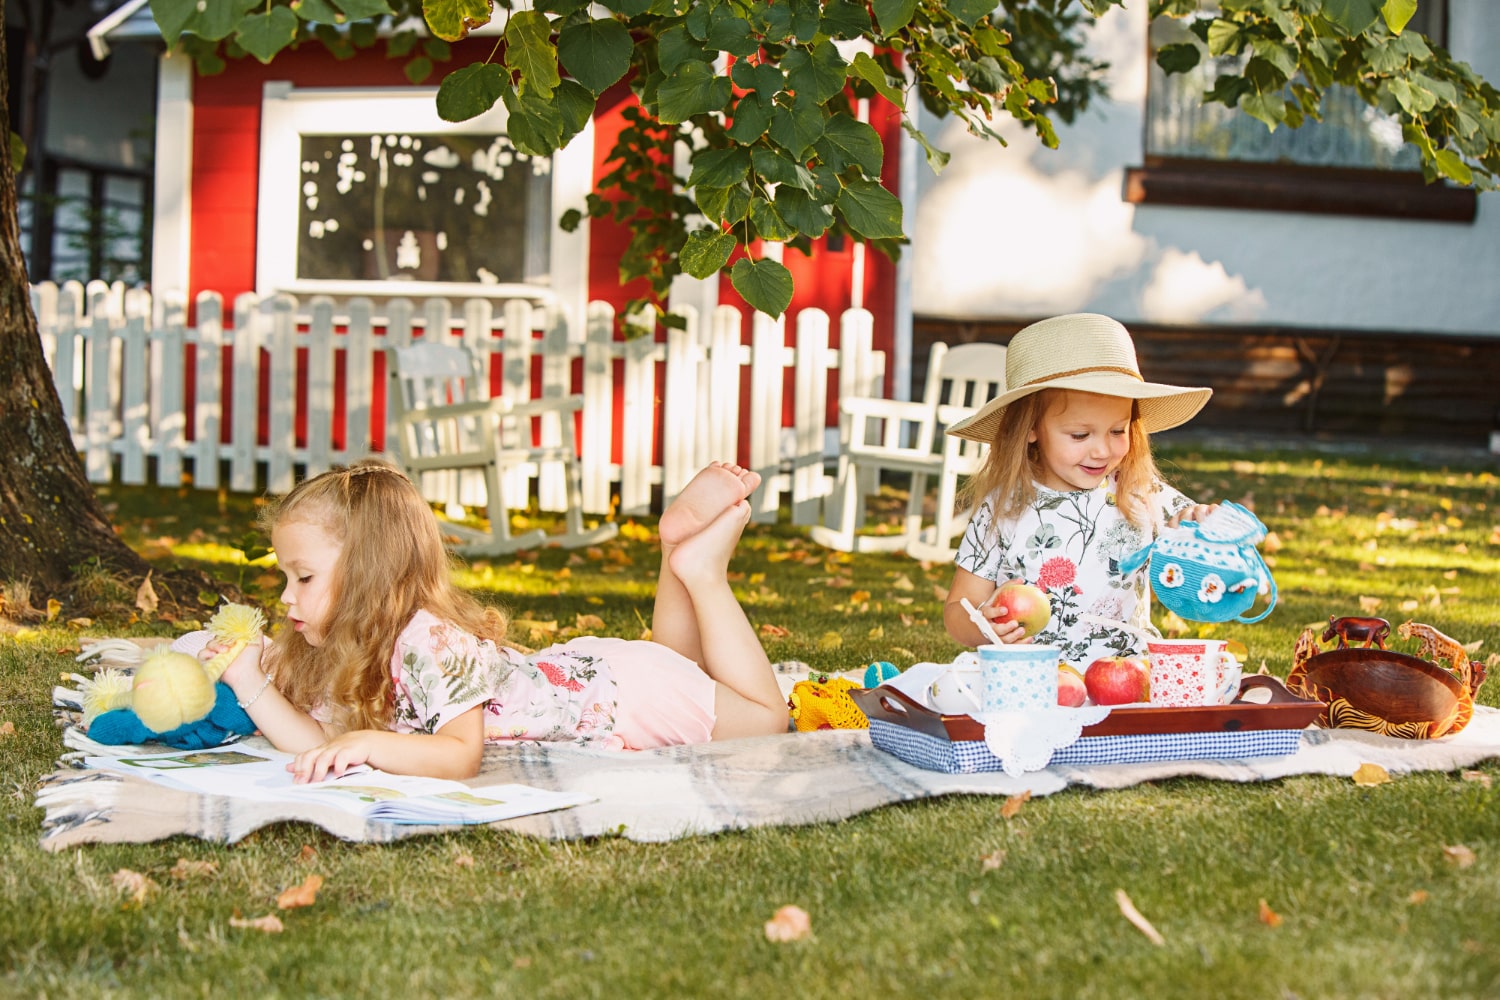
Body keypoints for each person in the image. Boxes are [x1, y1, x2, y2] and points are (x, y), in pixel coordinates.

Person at [198, 459, 788, 783]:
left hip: (627, 698)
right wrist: (250, 682)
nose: (285, 596)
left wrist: (366, 743)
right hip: (602, 677)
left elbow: (459, 757)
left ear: (368, 574)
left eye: (302, 577)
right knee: (680, 666)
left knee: (768, 721)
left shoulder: (430, 641)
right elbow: (323, 745)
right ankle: (674, 551)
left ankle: (703, 570)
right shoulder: (353, 642)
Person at [941, 313, 1219, 668]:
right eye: (1080, 435)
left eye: (1117, 431)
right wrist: (984, 625)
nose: (1102, 450)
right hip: (1027, 679)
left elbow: (1196, 554)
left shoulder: (1140, 493)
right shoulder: (1004, 508)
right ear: (1031, 429)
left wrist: (1200, 526)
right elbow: (957, 609)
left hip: (1127, 678)